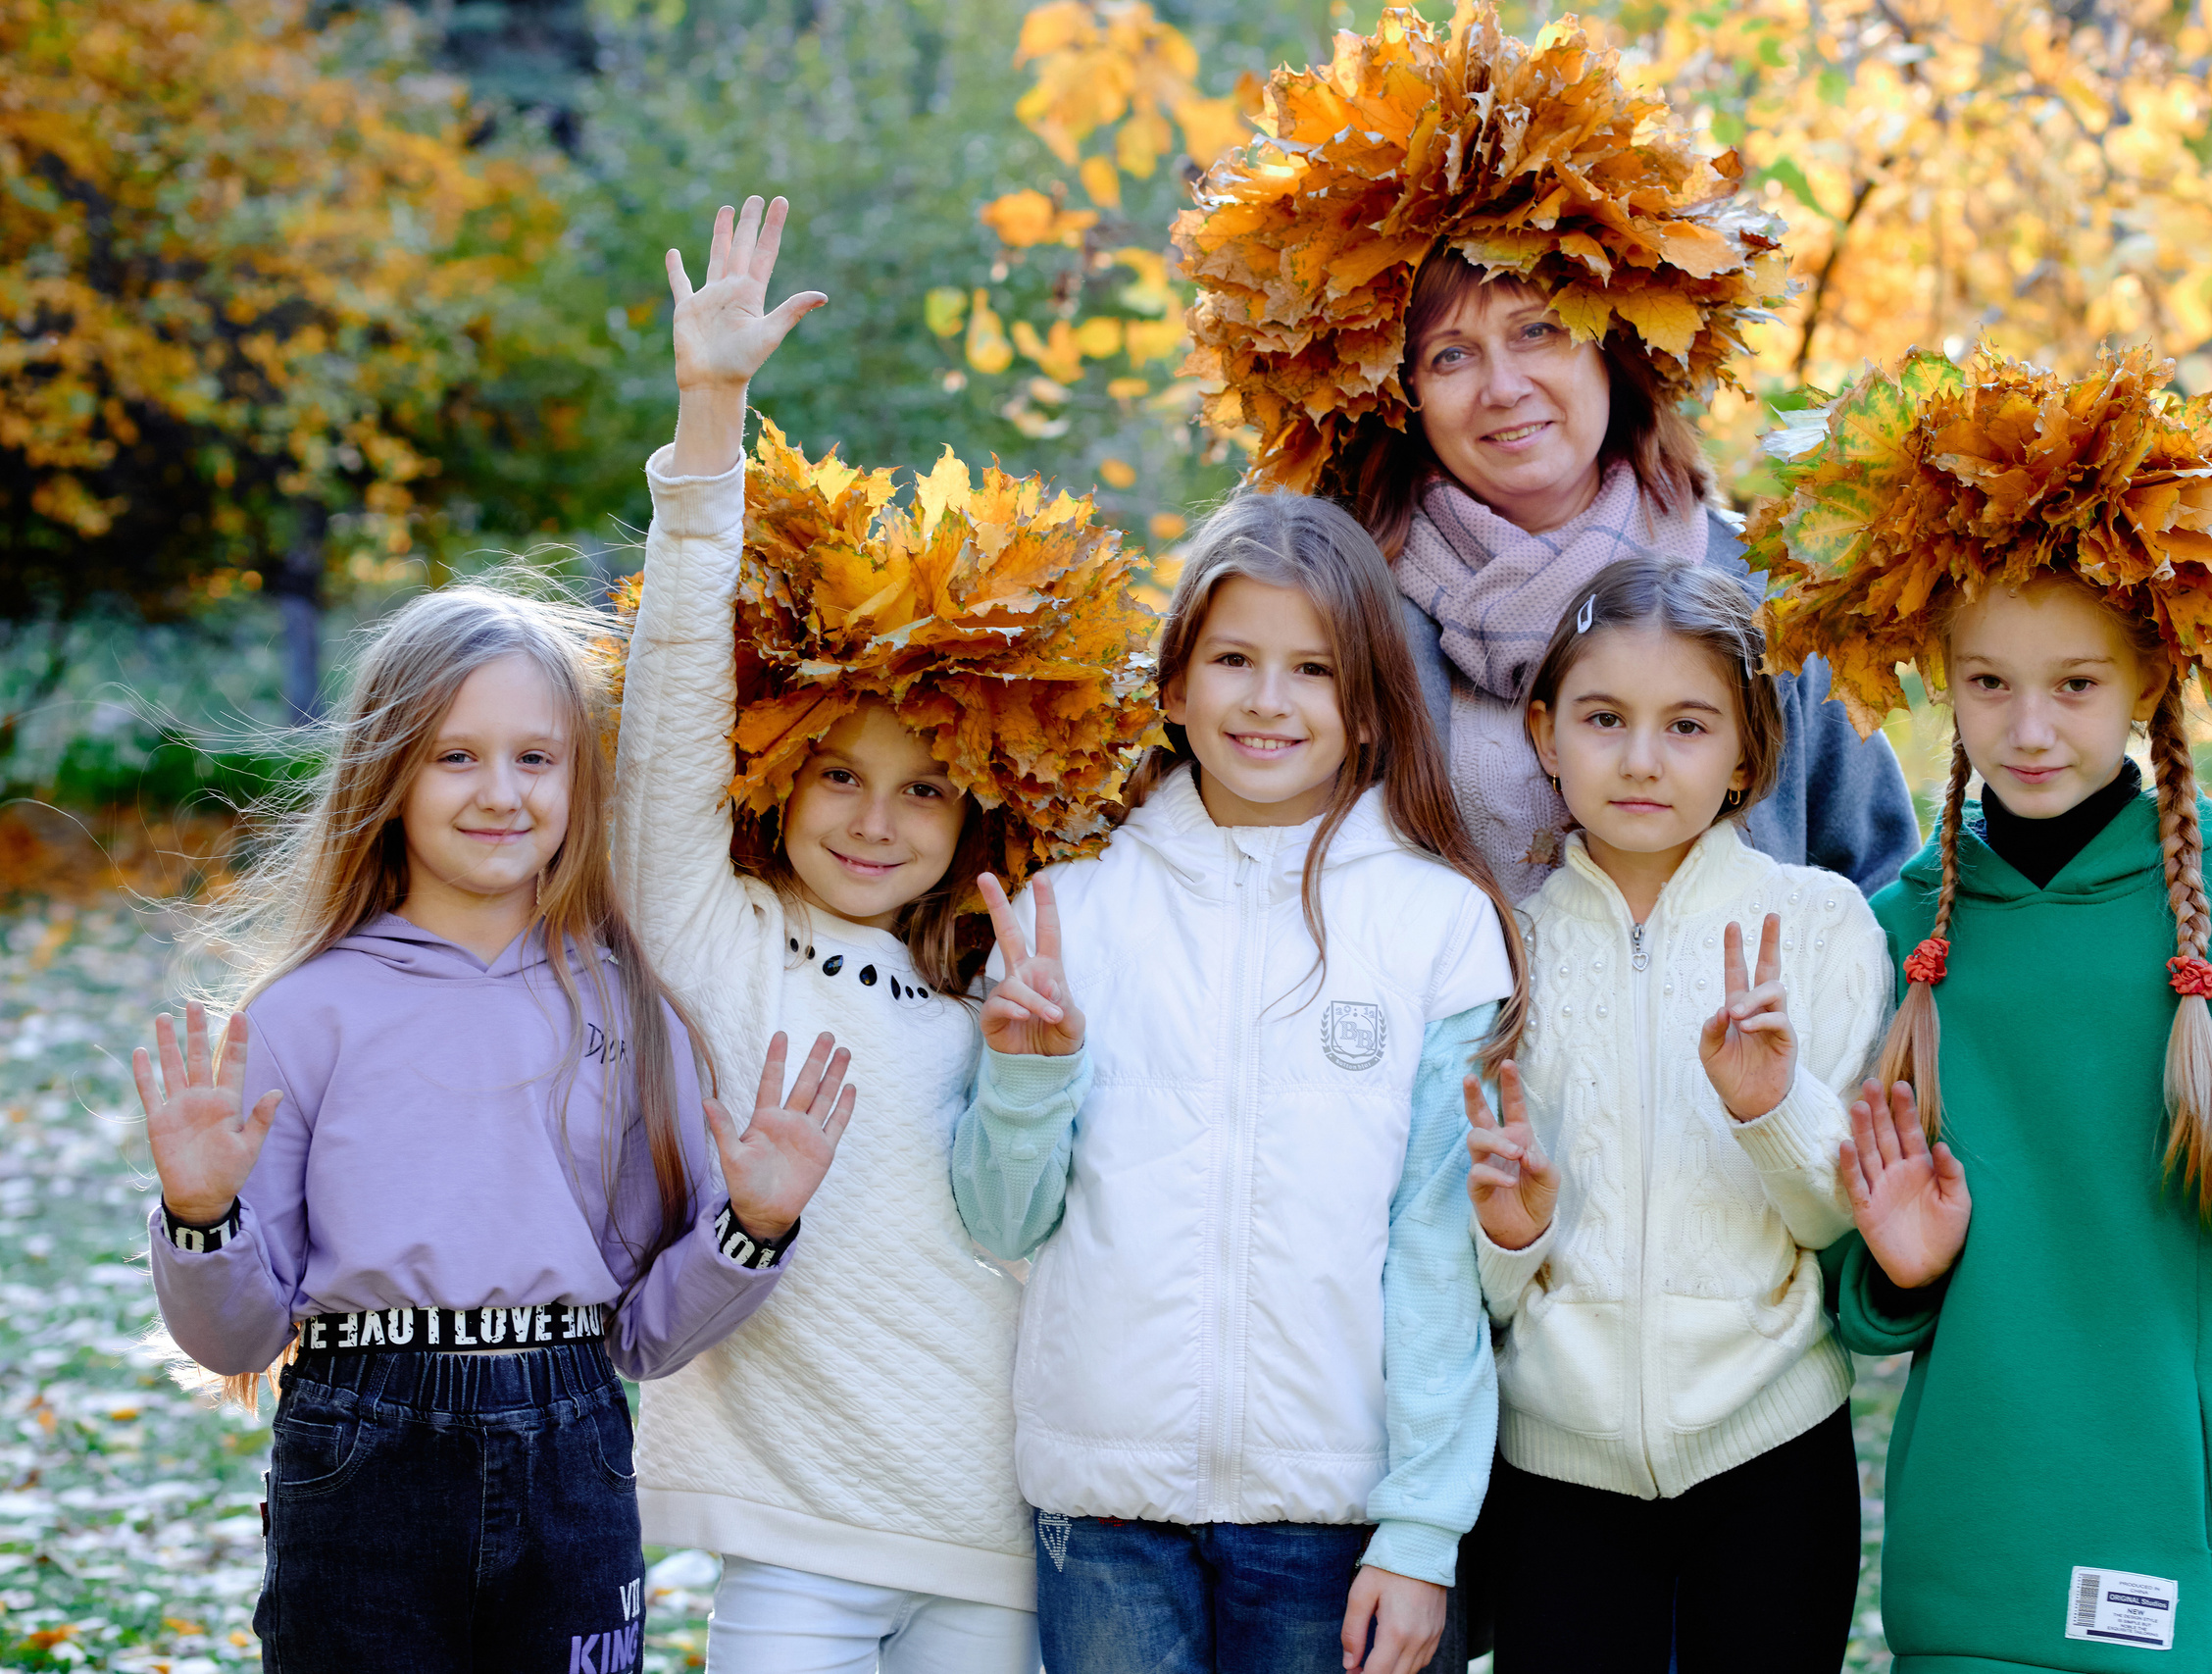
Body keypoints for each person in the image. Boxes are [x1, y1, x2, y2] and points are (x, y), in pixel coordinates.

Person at [1747, 344, 2212, 1673]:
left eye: (2075, 683)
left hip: (2199, 1547)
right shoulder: (1900, 930)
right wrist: (1896, 1270)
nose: (2028, 725)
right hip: (1979, 1539)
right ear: (1942, 679)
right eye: (1989, 681)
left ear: (2148, 684)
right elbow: (1859, 1285)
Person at [614, 195, 1158, 1673]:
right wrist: (711, 407)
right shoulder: (715, 930)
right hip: (795, 1530)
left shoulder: (1015, 968)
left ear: (978, 806)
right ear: (782, 773)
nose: (872, 818)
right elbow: (671, 704)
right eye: (837, 773)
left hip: (1001, 1534)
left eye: (923, 787)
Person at [136, 583, 851, 1671]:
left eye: (536, 757)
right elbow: (234, 1340)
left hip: (573, 1450)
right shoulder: (303, 1015)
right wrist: (199, 1213)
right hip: (361, 1452)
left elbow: (644, 1337)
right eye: (454, 756)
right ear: (389, 776)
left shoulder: (624, 1008)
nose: (500, 792)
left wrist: (750, 1226)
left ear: (578, 781)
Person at [949, 490, 1531, 1674]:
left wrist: (1420, 1531)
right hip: (1104, 1506)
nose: (1269, 701)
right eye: (1233, 660)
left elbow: (1436, 1253)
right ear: (1173, 685)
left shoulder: (1439, 926)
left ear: (1368, 709)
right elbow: (1001, 1223)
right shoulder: (1073, 913)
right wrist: (1024, 1081)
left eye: (1313, 669)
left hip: (1339, 1515)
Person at [1170, 0, 1918, 902]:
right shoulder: (1344, 604)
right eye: (1450, 355)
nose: (1503, 387)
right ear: (1397, 391)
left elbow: (1877, 887)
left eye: (1539, 332)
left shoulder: (1762, 599)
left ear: (1613, 343)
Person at [1462, 558, 1889, 1671]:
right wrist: (1510, 1233)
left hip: (1772, 1448)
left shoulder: (1822, 926)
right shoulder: (1498, 942)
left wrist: (1770, 1107)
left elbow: (1839, 1222)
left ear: (1747, 748)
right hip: (1554, 1462)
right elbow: (1468, 1264)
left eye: (1687, 725)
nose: (1642, 759)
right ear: (1546, 734)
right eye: (1604, 719)